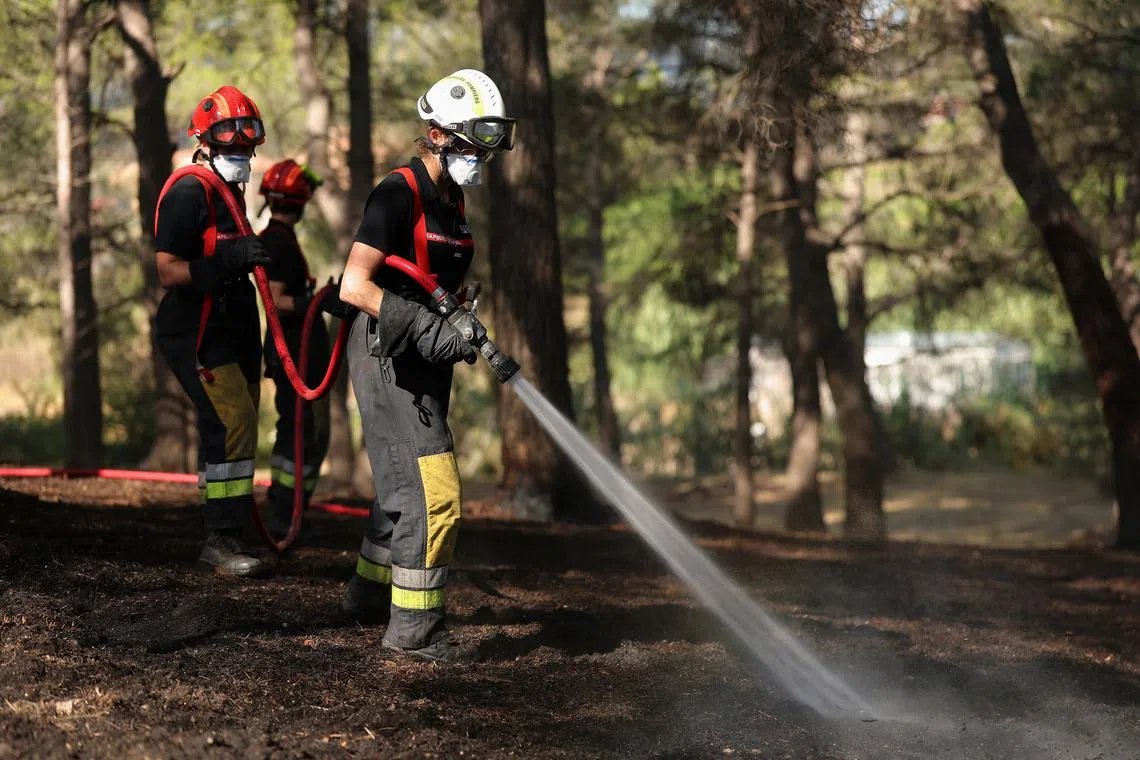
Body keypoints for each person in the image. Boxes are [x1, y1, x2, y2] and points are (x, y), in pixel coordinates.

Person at [337, 69, 516, 661]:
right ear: (438, 134)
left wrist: (459, 314)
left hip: (423, 360)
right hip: (387, 354)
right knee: (432, 492)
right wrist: (425, 325)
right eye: (471, 146)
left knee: (399, 480)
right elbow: (354, 285)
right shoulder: (398, 193)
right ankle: (415, 632)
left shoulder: (452, 198)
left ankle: (367, 596)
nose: (479, 159)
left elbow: (436, 280)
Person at [154, 85, 272, 577]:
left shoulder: (233, 193)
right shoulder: (188, 190)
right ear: (206, 142)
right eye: (230, 145)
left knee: (238, 423)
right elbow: (168, 270)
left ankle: (231, 527)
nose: (239, 154)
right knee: (231, 423)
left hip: (235, 322)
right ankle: (221, 540)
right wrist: (225, 260)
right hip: (196, 328)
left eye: (246, 145)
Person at [257, 160, 331, 538]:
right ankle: (286, 509)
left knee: (305, 430)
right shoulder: (276, 242)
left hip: (299, 352)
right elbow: (277, 301)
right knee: (299, 430)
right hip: (292, 353)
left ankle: (293, 505)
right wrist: (316, 301)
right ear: (299, 203)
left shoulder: (279, 239)